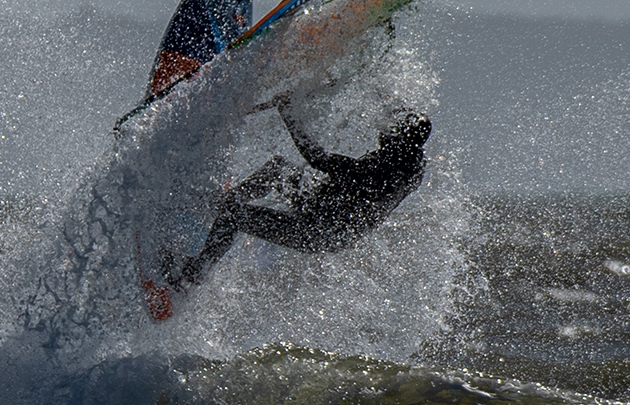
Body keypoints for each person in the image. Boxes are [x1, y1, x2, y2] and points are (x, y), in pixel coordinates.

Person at [169, 99, 433, 292]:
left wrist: (287, 111)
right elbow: (412, 131)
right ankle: (221, 204)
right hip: (320, 209)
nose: (382, 131)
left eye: (390, 129)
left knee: (234, 216)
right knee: (278, 169)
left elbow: (318, 158)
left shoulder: (383, 170)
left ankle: (194, 272)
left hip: (315, 230)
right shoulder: (411, 161)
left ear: (399, 139)